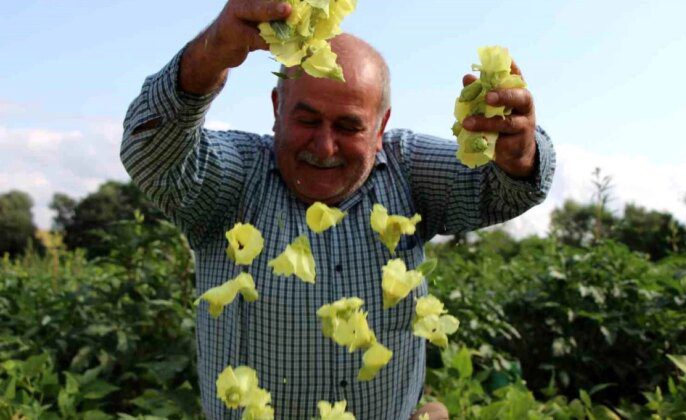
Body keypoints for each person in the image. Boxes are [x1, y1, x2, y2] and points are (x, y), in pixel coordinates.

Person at [120, 1, 555, 419]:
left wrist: (520, 154)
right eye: (307, 120)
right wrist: (212, 52)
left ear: (380, 127)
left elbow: (507, 190)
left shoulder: (408, 168)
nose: (325, 147)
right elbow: (149, 154)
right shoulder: (233, 181)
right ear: (277, 109)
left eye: (349, 126)